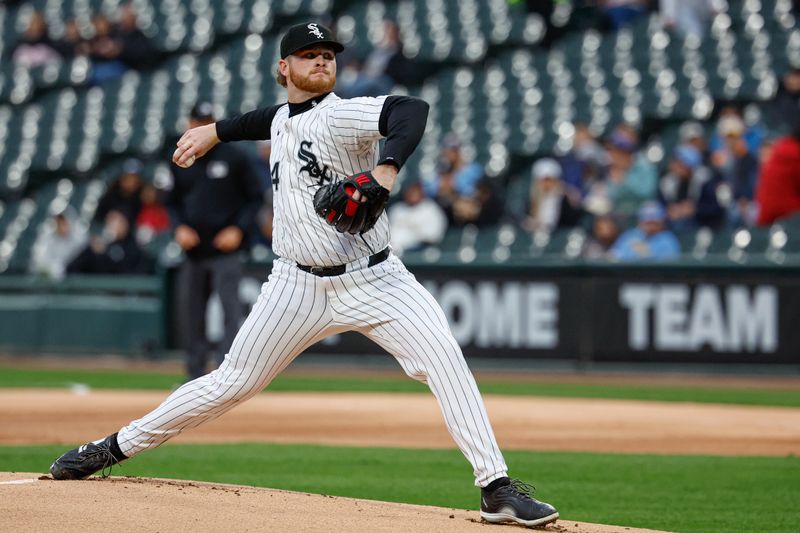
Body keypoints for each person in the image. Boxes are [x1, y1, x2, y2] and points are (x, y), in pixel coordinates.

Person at [49, 22, 559, 529]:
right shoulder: (282, 120)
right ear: (283, 67)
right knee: (230, 383)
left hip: (376, 280)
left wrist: (385, 169)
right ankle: (111, 448)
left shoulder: (341, 115)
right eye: (308, 53)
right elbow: (268, 118)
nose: (321, 61)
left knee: (445, 356)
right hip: (295, 286)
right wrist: (215, 131)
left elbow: (410, 110)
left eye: (328, 54)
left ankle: (496, 489)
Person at [166, 101, 264, 380]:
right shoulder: (180, 158)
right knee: (193, 314)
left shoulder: (234, 156)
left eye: (206, 121)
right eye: (197, 121)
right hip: (194, 250)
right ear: (188, 124)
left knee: (229, 312)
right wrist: (179, 227)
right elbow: (170, 202)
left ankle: (228, 376)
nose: (200, 127)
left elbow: (255, 197)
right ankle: (194, 376)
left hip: (226, 249)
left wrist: (238, 229)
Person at [659, 145, 725, 232]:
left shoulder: (706, 179)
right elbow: (663, 206)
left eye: (679, 163)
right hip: (681, 225)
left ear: (688, 165)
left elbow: (717, 208)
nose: (673, 165)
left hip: (707, 225)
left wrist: (695, 208)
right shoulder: (669, 181)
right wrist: (670, 211)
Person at [66, 209, 151, 274]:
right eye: (110, 221)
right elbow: (71, 269)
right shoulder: (98, 245)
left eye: (117, 221)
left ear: (127, 223)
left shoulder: (134, 247)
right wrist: (94, 252)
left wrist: (105, 254)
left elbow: (129, 274)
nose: (113, 225)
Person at [523, 158, 583, 234]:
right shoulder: (529, 198)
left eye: (550, 180)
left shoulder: (565, 200)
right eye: (544, 180)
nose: (547, 184)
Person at [388, 180, 447, 255]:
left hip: (420, 250)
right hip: (394, 250)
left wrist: (414, 231)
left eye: (415, 190)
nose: (412, 193)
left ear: (421, 191)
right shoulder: (397, 209)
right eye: (410, 190)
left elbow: (434, 237)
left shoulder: (431, 209)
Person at [29, 209, 88, 279]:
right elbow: (40, 260)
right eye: (59, 222)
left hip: (73, 280)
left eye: (64, 222)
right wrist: (55, 268)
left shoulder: (80, 239)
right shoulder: (46, 237)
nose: (62, 226)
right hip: (49, 281)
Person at [611, 201, 680, 261]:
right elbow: (614, 256)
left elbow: (669, 265)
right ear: (640, 221)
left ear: (661, 223)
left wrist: (648, 256)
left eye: (653, 222)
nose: (650, 226)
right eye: (647, 222)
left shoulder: (668, 239)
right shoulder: (629, 235)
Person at [94, 158, 145, 227]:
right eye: (127, 177)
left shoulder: (141, 201)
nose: (130, 182)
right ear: (121, 178)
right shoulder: (108, 194)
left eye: (133, 178)